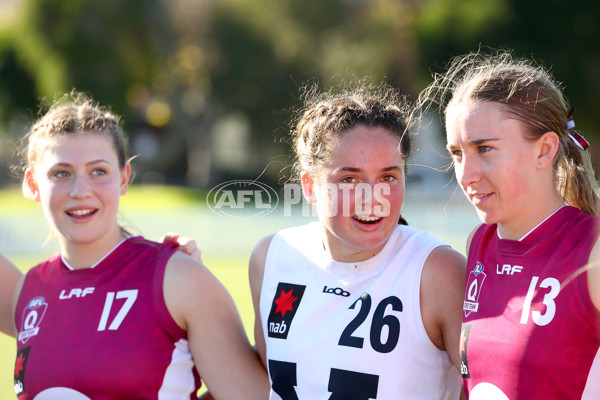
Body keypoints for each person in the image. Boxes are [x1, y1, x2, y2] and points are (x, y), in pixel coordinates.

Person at [12, 93, 269, 399]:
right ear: (33, 184)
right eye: (61, 173)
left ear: (124, 178)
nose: (80, 190)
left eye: (98, 171)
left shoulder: (179, 278)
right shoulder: (26, 291)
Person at [249, 82, 467, 399]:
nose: (372, 197)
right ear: (309, 186)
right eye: (349, 179)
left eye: (388, 177)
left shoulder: (437, 271)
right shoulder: (271, 257)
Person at [420, 50, 600, 399]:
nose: (466, 175)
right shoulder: (479, 243)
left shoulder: (591, 253)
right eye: (457, 153)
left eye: (484, 149)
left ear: (544, 150)